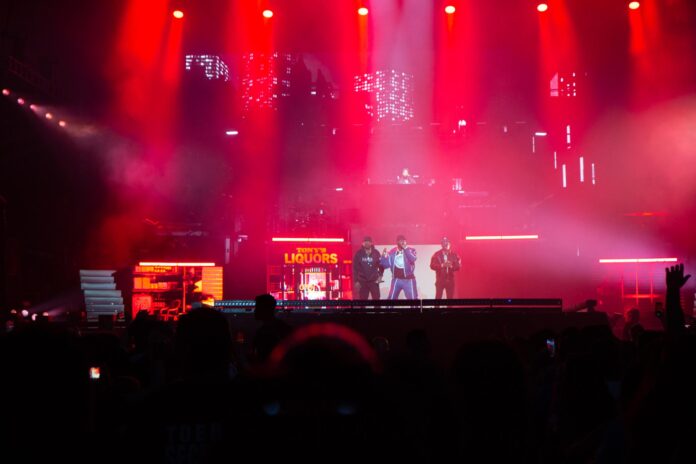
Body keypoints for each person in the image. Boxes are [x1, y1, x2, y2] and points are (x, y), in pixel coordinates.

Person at [253, 294, 293, 362]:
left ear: (264, 309)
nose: (254, 311)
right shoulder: (283, 328)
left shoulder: (263, 332)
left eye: (257, 307)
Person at [380, 234, 418, 299]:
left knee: (413, 299)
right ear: (397, 242)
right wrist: (383, 257)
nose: (403, 242)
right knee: (391, 298)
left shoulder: (411, 250)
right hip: (396, 279)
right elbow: (385, 265)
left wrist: (405, 249)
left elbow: (413, 259)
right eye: (401, 241)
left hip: (409, 279)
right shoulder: (392, 252)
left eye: (404, 240)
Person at [353, 236, 384, 300]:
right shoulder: (359, 254)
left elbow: (381, 265)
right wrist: (356, 281)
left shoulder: (376, 253)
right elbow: (355, 268)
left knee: (377, 300)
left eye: (368, 242)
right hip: (362, 281)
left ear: (371, 243)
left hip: (374, 281)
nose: (367, 243)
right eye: (365, 242)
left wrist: (380, 275)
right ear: (363, 243)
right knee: (363, 301)